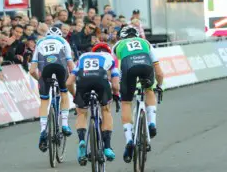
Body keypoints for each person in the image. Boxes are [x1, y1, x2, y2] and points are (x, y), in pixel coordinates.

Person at [112, 26, 164, 163]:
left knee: (126, 102)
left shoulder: (118, 45)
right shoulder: (145, 43)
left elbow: (113, 70)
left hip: (128, 67)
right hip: (146, 65)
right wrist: (160, 85)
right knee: (149, 90)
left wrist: (115, 90)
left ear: (121, 37)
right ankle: (152, 123)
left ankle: (129, 140)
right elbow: (158, 71)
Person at [66, 42, 120, 165]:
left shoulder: (84, 57)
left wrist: (76, 96)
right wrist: (116, 94)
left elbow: (69, 83)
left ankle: (81, 141)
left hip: (83, 82)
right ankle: (107, 147)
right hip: (100, 81)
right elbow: (116, 84)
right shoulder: (110, 58)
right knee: (106, 111)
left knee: (82, 113)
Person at [29, 27, 75, 152]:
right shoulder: (63, 41)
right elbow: (71, 65)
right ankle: (65, 124)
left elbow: (32, 70)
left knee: (44, 101)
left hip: (45, 69)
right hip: (60, 67)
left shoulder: (40, 42)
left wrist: (40, 79)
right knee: (64, 93)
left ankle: (43, 130)